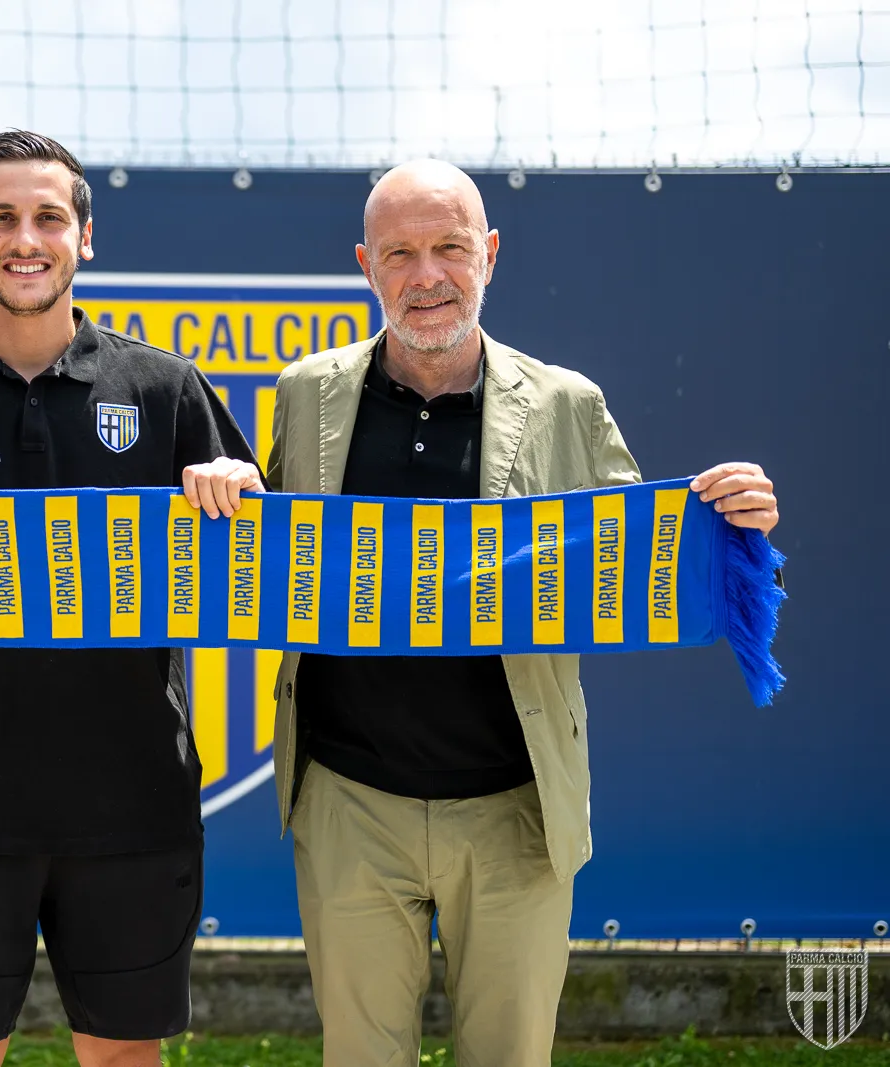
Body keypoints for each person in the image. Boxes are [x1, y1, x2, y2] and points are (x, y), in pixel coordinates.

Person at [258, 160, 779, 1066]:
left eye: (450, 248)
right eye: (400, 254)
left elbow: (638, 563)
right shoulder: (307, 392)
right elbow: (263, 546)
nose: (427, 276)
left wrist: (735, 522)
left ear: (490, 254)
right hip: (350, 801)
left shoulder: (567, 403)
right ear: (366, 266)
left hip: (516, 809)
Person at [0, 130, 260, 1067]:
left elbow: (261, 570)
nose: (26, 240)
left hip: (134, 805)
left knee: (123, 1058)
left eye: (48, 218)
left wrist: (244, 489)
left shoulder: (166, 390)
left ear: (84, 236)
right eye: (1, 218)